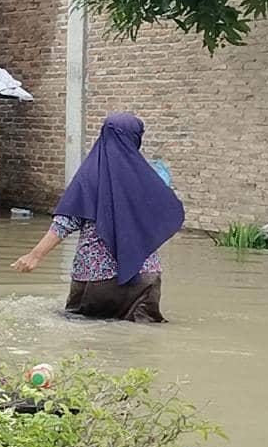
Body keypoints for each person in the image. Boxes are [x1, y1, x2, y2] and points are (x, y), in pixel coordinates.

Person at [11, 112, 185, 322]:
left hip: (96, 279)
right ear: (137, 137)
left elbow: (64, 223)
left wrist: (35, 255)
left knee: (84, 335)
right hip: (145, 277)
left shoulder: (90, 175)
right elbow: (164, 213)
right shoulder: (150, 177)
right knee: (141, 338)